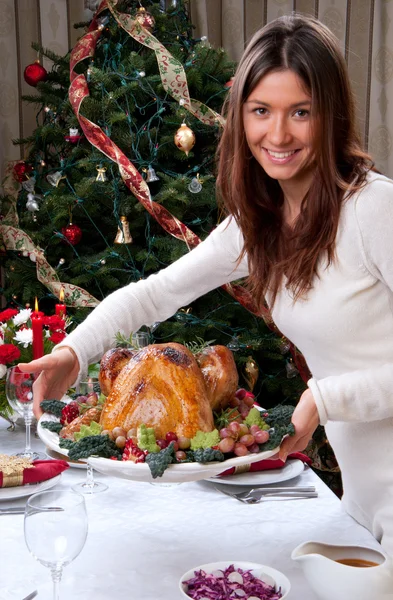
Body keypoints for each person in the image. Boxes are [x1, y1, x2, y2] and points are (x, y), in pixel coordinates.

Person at [19, 14, 393, 554]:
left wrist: (326, 398)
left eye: (301, 113)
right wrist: (73, 353)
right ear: (242, 116)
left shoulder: (374, 209)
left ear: (331, 116)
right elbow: (154, 293)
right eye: (261, 111)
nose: (278, 134)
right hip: (364, 498)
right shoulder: (260, 221)